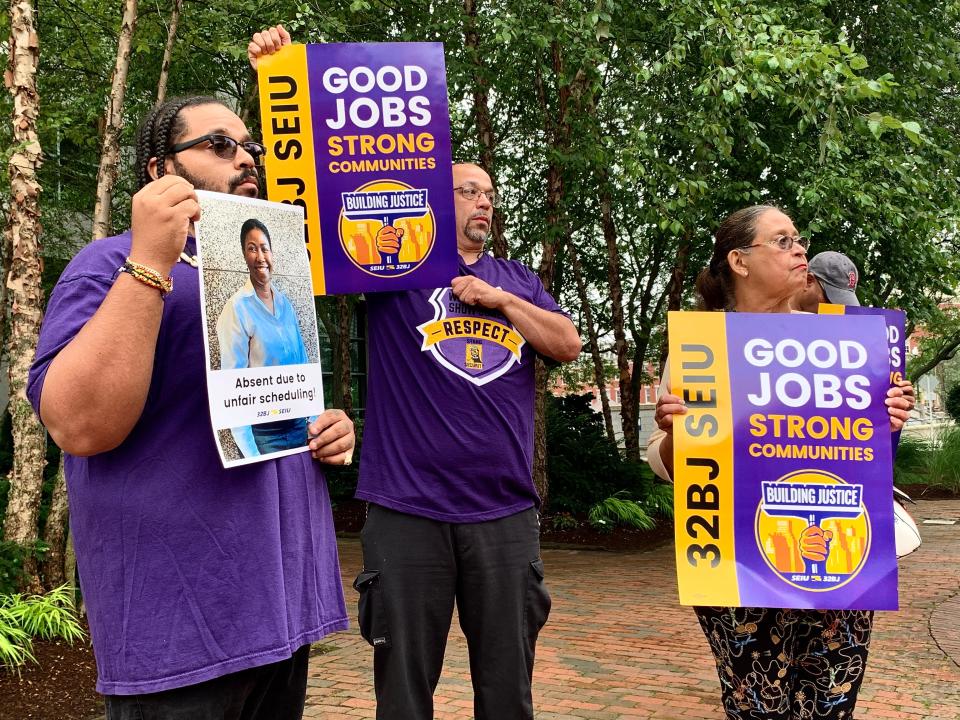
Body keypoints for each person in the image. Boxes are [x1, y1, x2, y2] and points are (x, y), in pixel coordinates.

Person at [248, 29, 582, 719]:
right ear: (438, 193)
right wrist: (276, 76)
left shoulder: (518, 281)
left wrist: (503, 301)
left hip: (504, 512)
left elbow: (567, 345)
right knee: (402, 693)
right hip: (406, 511)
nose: (483, 202)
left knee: (508, 691)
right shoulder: (395, 270)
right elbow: (306, 209)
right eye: (467, 190)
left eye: (490, 193)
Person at [28, 87, 353, 718]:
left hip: (282, 612)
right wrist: (151, 260)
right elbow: (78, 424)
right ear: (161, 171)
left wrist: (324, 426)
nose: (246, 158)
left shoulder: (276, 282)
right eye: (220, 145)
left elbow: (261, 404)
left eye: (249, 147)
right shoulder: (108, 264)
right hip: (179, 626)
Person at [647, 205, 912, 720]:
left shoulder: (843, 343)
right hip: (740, 559)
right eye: (783, 240)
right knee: (758, 708)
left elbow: (863, 448)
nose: (800, 250)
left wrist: (890, 417)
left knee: (830, 704)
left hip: (842, 556)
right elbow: (669, 464)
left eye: (799, 239)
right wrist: (679, 434)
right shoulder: (703, 346)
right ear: (740, 261)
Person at [217, 217, 311, 456]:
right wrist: (251, 454)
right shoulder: (237, 308)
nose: (260, 257)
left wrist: (314, 421)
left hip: (300, 427)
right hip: (265, 436)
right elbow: (232, 385)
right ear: (244, 256)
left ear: (272, 253)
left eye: (264, 248)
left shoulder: (285, 304)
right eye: (251, 249)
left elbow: (303, 363)